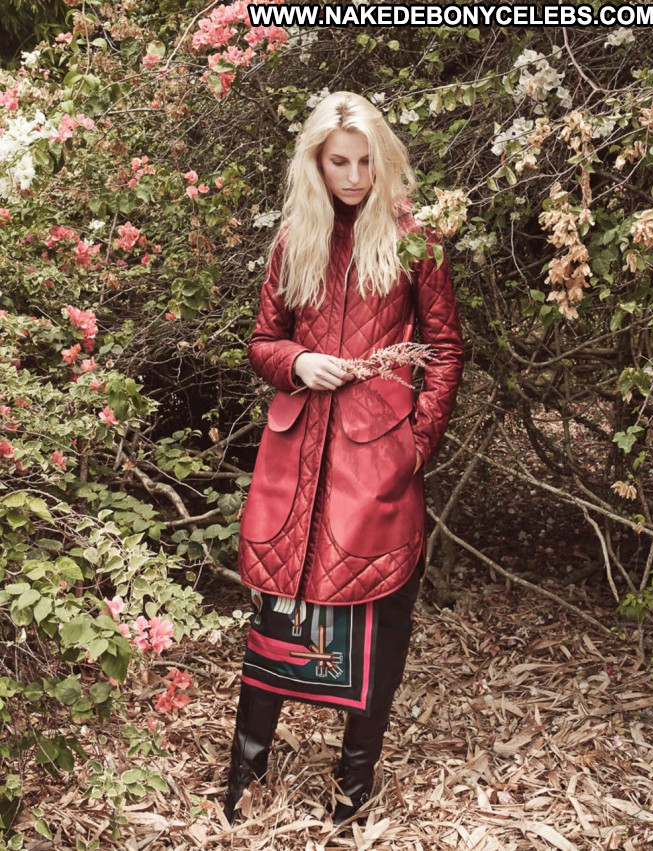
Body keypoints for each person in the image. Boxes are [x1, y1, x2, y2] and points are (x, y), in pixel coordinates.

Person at [224, 90, 465, 828]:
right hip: (296, 451)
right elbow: (262, 341)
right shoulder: (294, 237)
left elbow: (445, 348)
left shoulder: (413, 238)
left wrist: (416, 446)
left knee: (381, 609)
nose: (355, 176)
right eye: (339, 162)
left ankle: (353, 786)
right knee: (278, 599)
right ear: (316, 163)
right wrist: (297, 362)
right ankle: (244, 772)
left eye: (365, 161)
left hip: (376, 455)